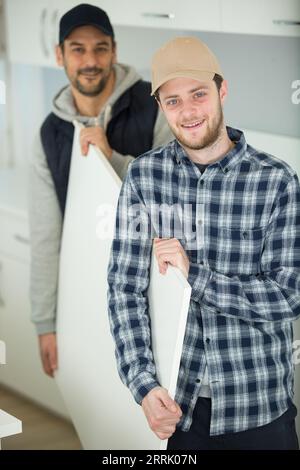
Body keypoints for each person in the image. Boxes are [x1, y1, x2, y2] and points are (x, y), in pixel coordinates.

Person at [107, 36, 300, 450]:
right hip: (181, 411)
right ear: (161, 107)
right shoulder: (145, 178)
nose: (188, 111)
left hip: (260, 412)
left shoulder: (277, 182)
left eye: (198, 94)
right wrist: (142, 384)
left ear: (222, 90)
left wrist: (196, 277)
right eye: (173, 101)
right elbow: (124, 290)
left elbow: (288, 296)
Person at [29, 4, 172, 378]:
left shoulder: (155, 107)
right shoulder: (49, 136)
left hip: (153, 289)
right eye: (78, 48)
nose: (90, 60)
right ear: (60, 54)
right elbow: (47, 235)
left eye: (100, 48)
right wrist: (45, 322)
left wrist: (113, 159)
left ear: (114, 50)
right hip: (85, 292)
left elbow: (174, 201)